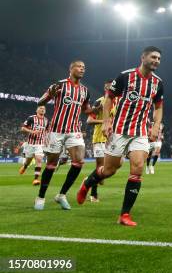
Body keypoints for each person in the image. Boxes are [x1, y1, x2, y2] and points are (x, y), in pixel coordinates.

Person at [77, 46, 164, 227]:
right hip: (119, 131)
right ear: (143, 57)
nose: (156, 61)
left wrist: (156, 126)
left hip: (140, 132)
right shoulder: (125, 76)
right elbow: (109, 98)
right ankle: (87, 183)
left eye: (159, 58)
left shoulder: (158, 83)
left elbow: (158, 107)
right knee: (109, 170)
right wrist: (107, 121)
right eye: (153, 57)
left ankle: (124, 215)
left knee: (138, 168)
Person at [34, 60, 97, 210]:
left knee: (79, 161)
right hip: (56, 130)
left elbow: (85, 109)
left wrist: (96, 109)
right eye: (79, 67)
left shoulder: (85, 90)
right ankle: (41, 196)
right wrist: (50, 96)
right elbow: (40, 102)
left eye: (84, 67)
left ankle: (62, 195)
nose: (82, 69)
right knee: (51, 164)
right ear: (71, 69)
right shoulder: (60, 85)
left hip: (74, 130)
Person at [85, 80, 114, 202]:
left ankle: (88, 181)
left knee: (107, 171)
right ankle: (93, 194)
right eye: (107, 88)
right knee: (100, 167)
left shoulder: (118, 102)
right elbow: (89, 121)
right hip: (99, 139)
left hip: (112, 140)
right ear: (104, 88)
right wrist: (105, 122)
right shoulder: (99, 102)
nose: (109, 90)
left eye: (111, 88)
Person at [19, 105, 48, 185]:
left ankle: (36, 179)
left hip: (40, 143)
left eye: (44, 109)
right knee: (28, 160)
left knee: (39, 159)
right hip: (30, 143)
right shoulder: (31, 118)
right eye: (40, 108)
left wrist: (47, 140)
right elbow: (23, 128)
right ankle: (25, 166)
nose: (42, 110)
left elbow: (47, 131)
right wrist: (32, 132)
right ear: (37, 110)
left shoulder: (46, 120)